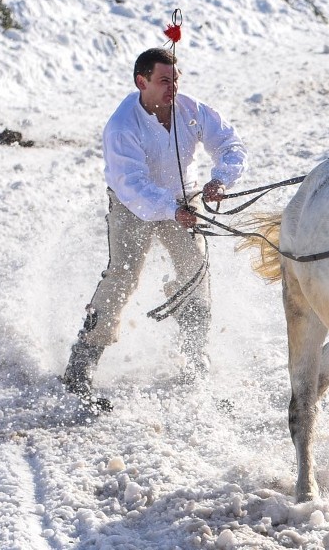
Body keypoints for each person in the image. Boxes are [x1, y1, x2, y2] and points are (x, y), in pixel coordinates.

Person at [62, 47, 248, 411]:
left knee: (195, 270)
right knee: (123, 276)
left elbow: (230, 144)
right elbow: (130, 183)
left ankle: (195, 356)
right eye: (165, 81)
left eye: (176, 79)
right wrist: (170, 210)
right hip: (132, 205)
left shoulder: (192, 110)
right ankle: (81, 366)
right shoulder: (121, 126)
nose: (173, 87)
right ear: (141, 81)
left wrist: (220, 180)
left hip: (184, 195)